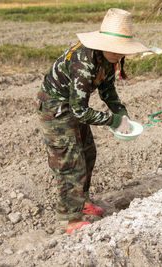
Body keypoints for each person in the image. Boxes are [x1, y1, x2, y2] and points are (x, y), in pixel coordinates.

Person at [36, 8, 149, 234]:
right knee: (70, 160)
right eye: (116, 49)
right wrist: (112, 121)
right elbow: (79, 111)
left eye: (122, 50)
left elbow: (108, 91)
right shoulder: (84, 63)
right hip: (56, 107)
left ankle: (82, 200)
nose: (119, 54)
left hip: (73, 106)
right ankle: (73, 219)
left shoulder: (108, 60)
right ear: (103, 42)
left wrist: (122, 112)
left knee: (88, 151)